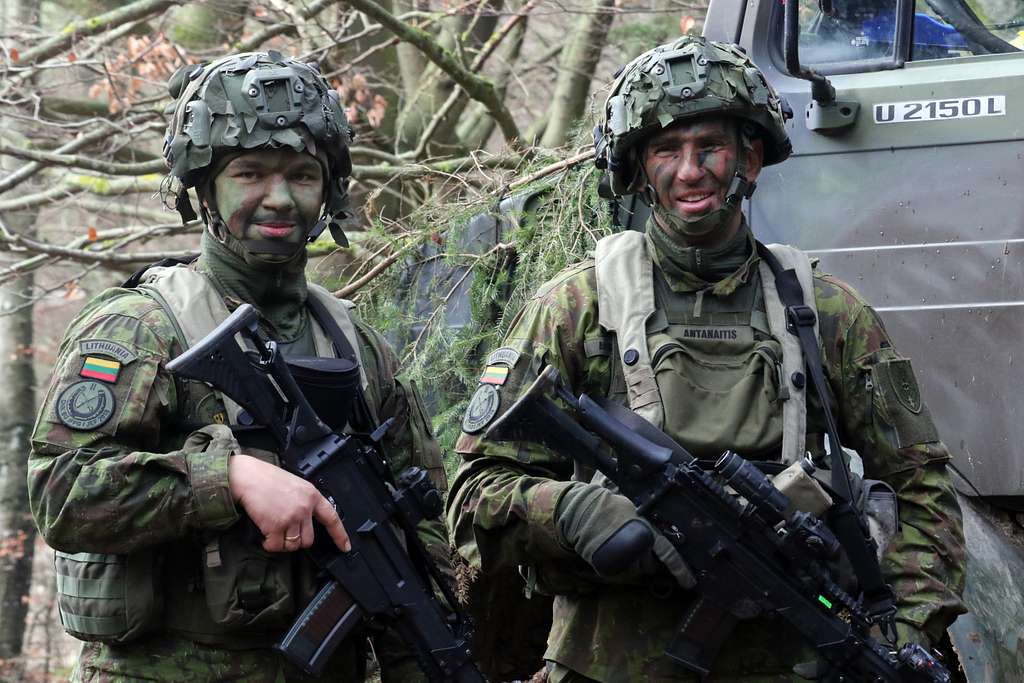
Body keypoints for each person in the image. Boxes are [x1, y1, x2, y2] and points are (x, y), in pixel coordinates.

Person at [445, 36, 966, 681]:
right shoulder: (578, 307)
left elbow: (922, 492)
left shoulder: (828, 314)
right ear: (638, 169)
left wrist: (901, 631)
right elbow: (472, 498)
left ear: (749, 160)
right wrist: (574, 513)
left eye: (710, 147)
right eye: (666, 149)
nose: (689, 172)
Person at [28, 51, 449, 682]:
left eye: (302, 176)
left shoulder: (356, 345)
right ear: (204, 189)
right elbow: (61, 493)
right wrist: (230, 481)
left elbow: (419, 532)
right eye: (249, 173)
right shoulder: (142, 326)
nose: (278, 198)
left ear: (328, 191)